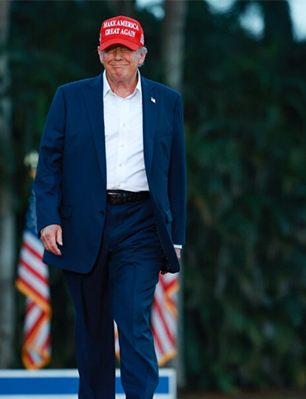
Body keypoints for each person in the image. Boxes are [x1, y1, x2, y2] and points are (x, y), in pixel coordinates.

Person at [34, 15, 186, 399]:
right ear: (100, 53)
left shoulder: (166, 101)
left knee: (133, 320)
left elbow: (176, 173)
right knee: (92, 330)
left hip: (141, 224)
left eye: (127, 49)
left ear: (142, 55)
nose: (119, 55)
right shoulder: (70, 96)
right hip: (82, 225)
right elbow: (49, 162)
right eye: (111, 48)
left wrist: (177, 236)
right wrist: (48, 219)